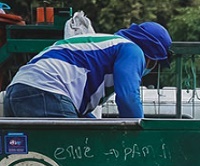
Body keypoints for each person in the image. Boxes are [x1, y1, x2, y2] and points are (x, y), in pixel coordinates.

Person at [4, 22, 172, 119]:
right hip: (48, 92)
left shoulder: (105, 44)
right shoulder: (132, 50)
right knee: (71, 165)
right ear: (151, 56)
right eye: (153, 64)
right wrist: (140, 134)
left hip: (17, 91)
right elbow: (128, 98)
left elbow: (81, 118)